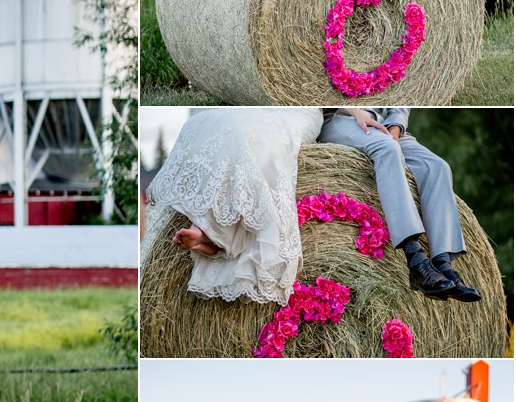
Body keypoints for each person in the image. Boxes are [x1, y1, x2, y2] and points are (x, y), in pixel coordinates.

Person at [143, 108, 323, 304]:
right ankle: (210, 231)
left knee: (256, 134)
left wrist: (355, 113)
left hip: (301, 113)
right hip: (261, 108)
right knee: (210, 122)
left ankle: (211, 234)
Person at [318, 107, 481, 301]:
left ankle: (442, 264)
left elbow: (400, 104)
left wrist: (396, 126)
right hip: (340, 119)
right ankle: (415, 259)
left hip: (383, 125)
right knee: (387, 148)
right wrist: (356, 112)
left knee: (437, 167)